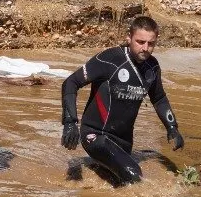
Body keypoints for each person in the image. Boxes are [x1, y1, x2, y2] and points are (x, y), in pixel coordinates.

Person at [59, 16, 184, 186]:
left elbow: (159, 98)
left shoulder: (152, 67)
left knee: (119, 179)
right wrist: (70, 122)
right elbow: (71, 82)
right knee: (134, 176)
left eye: (151, 43)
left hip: (124, 142)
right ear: (129, 38)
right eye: (140, 42)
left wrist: (172, 127)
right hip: (96, 136)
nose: (145, 48)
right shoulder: (109, 59)